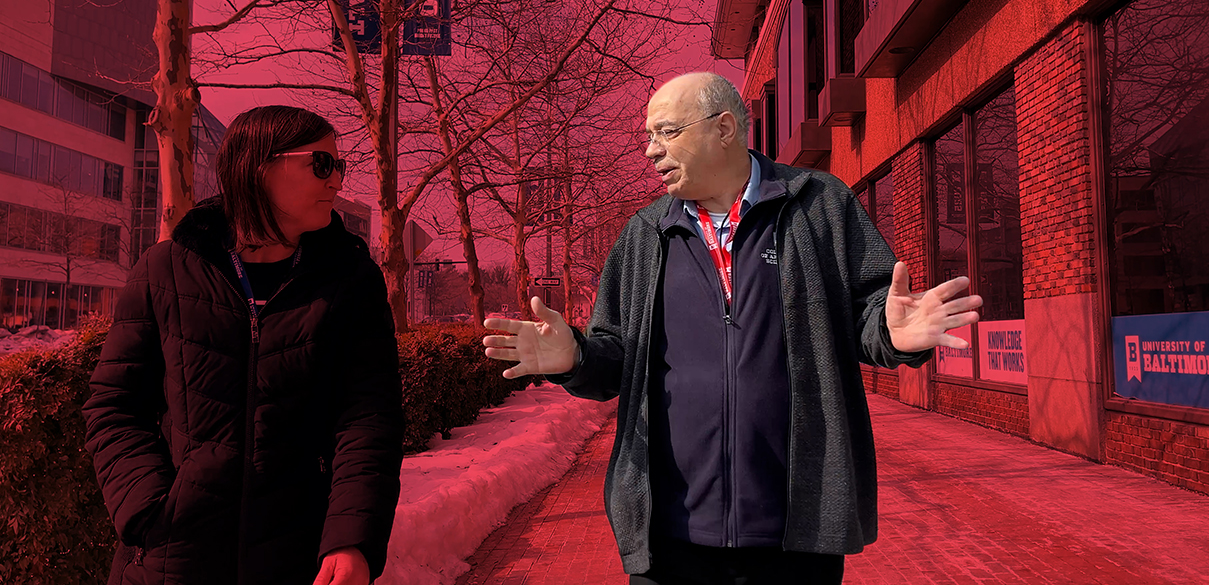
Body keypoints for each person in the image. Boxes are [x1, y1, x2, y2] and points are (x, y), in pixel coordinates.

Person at [483, 73, 982, 584]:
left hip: (796, 535)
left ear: (724, 128)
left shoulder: (819, 204)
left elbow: (871, 314)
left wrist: (892, 334)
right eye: (648, 137)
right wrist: (576, 358)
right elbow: (616, 361)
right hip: (670, 538)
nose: (652, 151)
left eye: (667, 132)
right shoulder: (644, 235)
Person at [83, 106, 404, 585]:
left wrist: (351, 536)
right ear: (260, 166)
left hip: (300, 557)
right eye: (322, 163)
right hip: (169, 559)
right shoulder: (164, 269)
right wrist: (147, 510)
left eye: (340, 166)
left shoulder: (352, 280)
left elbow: (368, 419)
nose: (337, 180)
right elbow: (114, 405)